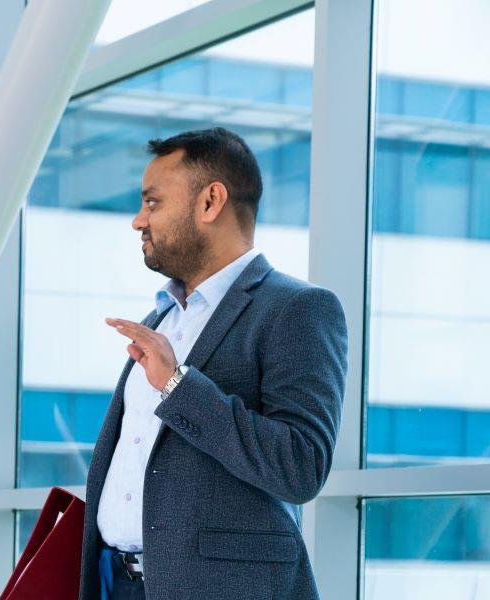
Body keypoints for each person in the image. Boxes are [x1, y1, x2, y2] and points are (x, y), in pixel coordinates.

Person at [78, 127, 348, 600]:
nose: (138, 221)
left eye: (153, 202)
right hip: (116, 584)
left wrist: (178, 384)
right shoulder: (160, 317)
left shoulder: (298, 309)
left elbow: (301, 467)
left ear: (210, 202)